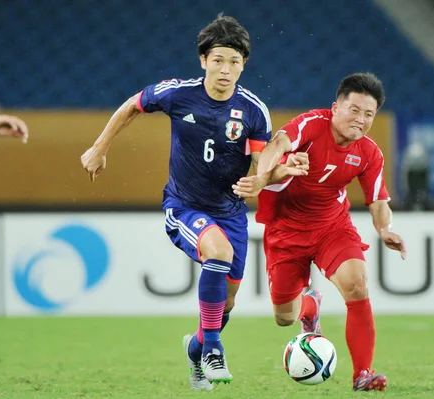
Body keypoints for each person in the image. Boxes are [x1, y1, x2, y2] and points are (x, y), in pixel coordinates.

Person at [80, 14, 308, 390]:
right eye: (218, 60)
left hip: (231, 213)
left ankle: (197, 349)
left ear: (243, 65)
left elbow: (260, 168)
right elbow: (133, 105)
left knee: (226, 303)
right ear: (203, 60)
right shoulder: (178, 93)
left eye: (234, 62)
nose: (225, 69)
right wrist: (100, 147)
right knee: (216, 254)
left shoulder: (254, 111)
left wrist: (280, 172)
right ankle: (214, 350)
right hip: (184, 206)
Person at [233, 72, 406, 392]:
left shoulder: (369, 153)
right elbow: (278, 144)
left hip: (331, 227)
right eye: (354, 110)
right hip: (285, 231)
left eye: (369, 114)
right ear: (335, 107)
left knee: (357, 284)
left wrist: (385, 230)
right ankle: (309, 308)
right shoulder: (312, 124)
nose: (361, 119)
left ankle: (362, 374)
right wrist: (262, 176)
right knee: (284, 317)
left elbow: (379, 199)